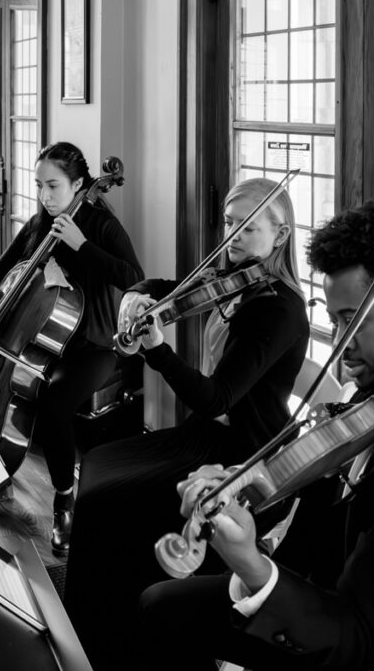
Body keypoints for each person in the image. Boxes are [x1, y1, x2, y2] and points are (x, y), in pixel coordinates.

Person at [136, 199, 374, 671]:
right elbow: (322, 500)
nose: (339, 342)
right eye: (334, 321)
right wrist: (240, 483)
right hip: (327, 594)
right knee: (160, 604)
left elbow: (362, 643)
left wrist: (251, 565)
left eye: (352, 320)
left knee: (167, 612)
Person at [63, 177, 311, 671]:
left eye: (248, 226)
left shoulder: (278, 309)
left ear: (280, 236)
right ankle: (89, 635)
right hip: (208, 434)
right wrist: (136, 294)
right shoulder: (232, 276)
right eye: (228, 222)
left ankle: (116, 643)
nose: (233, 235)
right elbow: (168, 290)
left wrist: (157, 351)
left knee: (105, 498)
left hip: (240, 452)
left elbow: (216, 396)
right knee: (97, 462)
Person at [0, 141, 144, 554]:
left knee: (53, 408)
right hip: (39, 341)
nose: (45, 196)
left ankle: (64, 500)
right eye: (39, 185)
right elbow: (2, 268)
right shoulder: (40, 222)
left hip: (93, 345)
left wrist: (80, 244)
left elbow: (133, 277)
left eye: (53, 186)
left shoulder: (102, 225)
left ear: (79, 184)